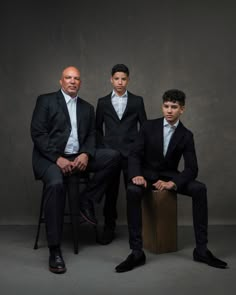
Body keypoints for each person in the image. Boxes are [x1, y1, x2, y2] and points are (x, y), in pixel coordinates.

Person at [115, 89, 228, 272]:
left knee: (200, 189)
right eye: (166, 106)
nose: (169, 111)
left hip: (170, 176)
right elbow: (134, 154)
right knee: (132, 191)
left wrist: (173, 184)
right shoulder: (148, 127)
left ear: (182, 109)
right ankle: (136, 252)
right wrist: (136, 174)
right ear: (162, 106)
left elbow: (192, 168)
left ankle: (201, 249)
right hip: (145, 175)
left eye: (174, 107)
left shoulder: (186, 135)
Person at [31, 66, 120, 274]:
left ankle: (85, 199)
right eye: (68, 78)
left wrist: (86, 154)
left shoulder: (87, 108)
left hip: (78, 156)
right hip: (49, 158)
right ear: (60, 81)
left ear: (80, 83)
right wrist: (57, 158)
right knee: (55, 183)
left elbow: (90, 136)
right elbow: (38, 133)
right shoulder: (45, 101)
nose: (72, 81)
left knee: (114, 158)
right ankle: (55, 250)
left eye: (76, 78)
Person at [96, 64, 147, 245]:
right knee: (110, 193)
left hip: (130, 156)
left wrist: (138, 151)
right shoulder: (102, 102)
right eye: (116, 78)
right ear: (111, 79)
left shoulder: (137, 101)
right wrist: (104, 149)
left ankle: (137, 230)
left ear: (128, 80)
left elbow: (145, 128)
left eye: (123, 79)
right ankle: (109, 227)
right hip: (110, 156)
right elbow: (96, 129)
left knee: (133, 192)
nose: (120, 82)